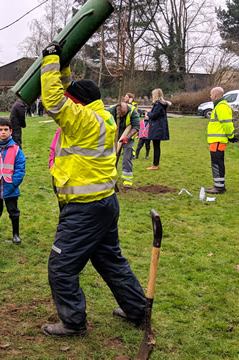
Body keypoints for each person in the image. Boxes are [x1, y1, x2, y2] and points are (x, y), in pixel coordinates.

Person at [40, 42, 146, 337]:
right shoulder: (103, 117)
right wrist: (62, 67)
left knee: (61, 267)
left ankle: (73, 322)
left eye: (73, 99)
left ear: (80, 103)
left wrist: (49, 59)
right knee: (111, 260)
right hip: (104, 204)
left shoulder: (83, 119)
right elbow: (67, 92)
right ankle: (137, 309)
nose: (69, 102)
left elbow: (52, 99)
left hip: (84, 209)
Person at [0, 118, 26, 245]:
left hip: (10, 187)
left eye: (6, 130)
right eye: (0, 130)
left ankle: (16, 234)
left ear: (11, 131)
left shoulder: (16, 149)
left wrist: (14, 183)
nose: (3, 132)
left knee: (13, 212)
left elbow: (20, 168)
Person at [206, 86, 235, 194]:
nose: (210, 96)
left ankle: (219, 187)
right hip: (216, 141)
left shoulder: (221, 107)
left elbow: (227, 123)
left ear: (215, 95)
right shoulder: (219, 106)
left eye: (210, 94)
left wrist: (231, 136)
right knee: (216, 163)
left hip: (217, 141)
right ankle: (219, 185)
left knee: (217, 164)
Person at [109, 102, 140, 188]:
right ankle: (111, 178)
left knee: (127, 157)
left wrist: (127, 137)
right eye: (121, 114)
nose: (123, 115)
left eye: (124, 113)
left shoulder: (132, 111)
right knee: (113, 157)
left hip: (128, 137)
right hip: (114, 137)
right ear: (117, 110)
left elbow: (136, 126)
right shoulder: (110, 111)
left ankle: (127, 181)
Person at [144, 88, 171, 170]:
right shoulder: (161, 104)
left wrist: (148, 112)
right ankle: (155, 164)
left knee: (156, 146)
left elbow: (154, 115)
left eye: (152, 95)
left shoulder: (158, 104)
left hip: (157, 128)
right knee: (156, 146)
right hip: (159, 127)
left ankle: (155, 165)